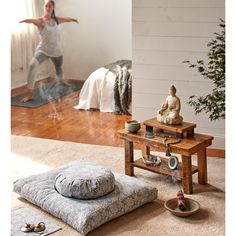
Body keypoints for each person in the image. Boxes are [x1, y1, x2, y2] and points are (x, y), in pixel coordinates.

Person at [19, 0, 79, 102]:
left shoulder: (56, 20)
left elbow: (65, 19)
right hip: (43, 50)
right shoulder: (40, 21)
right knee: (32, 66)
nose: (47, 8)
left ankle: (61, 80)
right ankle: (29, 94)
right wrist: (26, 20)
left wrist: (73, 19)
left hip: (56, 50)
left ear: (53, 8)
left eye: (49, 6)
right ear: (44, 7)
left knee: (58, 68)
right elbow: (33, 21)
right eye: (46, 6)